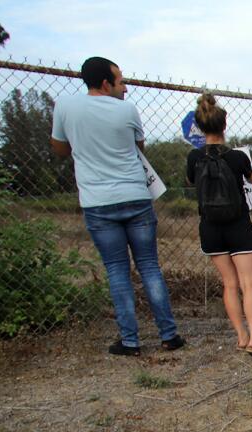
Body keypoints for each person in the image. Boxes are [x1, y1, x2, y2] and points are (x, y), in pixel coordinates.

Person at [50, 56, 185, 357]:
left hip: (97, 202)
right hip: (135, 195)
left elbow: (59, 148)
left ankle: (130, 340)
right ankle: (169, 334)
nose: (125, 87)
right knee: (149, 265)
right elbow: (139, 149)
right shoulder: (127, 110)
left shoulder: (65, 107)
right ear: (105, 83)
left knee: (117, 271)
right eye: (121, 81)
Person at [185, 93, 252, 355]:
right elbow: (251, 180)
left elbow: (191, 182)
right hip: (238, 224)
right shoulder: (239, 157)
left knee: (229, 283)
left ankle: (240, 335)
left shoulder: (194, 158)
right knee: (248, 283)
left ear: (200, 126)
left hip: (210, 228)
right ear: (224, 125)